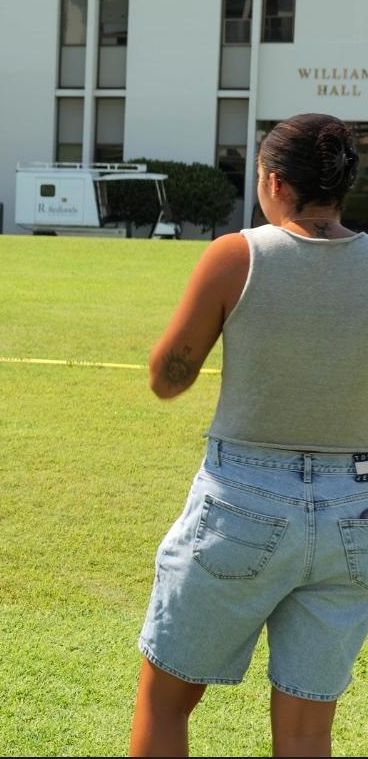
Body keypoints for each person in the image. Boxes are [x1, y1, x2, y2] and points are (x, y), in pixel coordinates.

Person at [129, 113, 367, 757]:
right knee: (307, 728)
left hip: (244, 501)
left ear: (271, 180)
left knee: (166, 701)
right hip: (356, 509)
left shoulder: (239, 253)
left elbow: (167, 378)